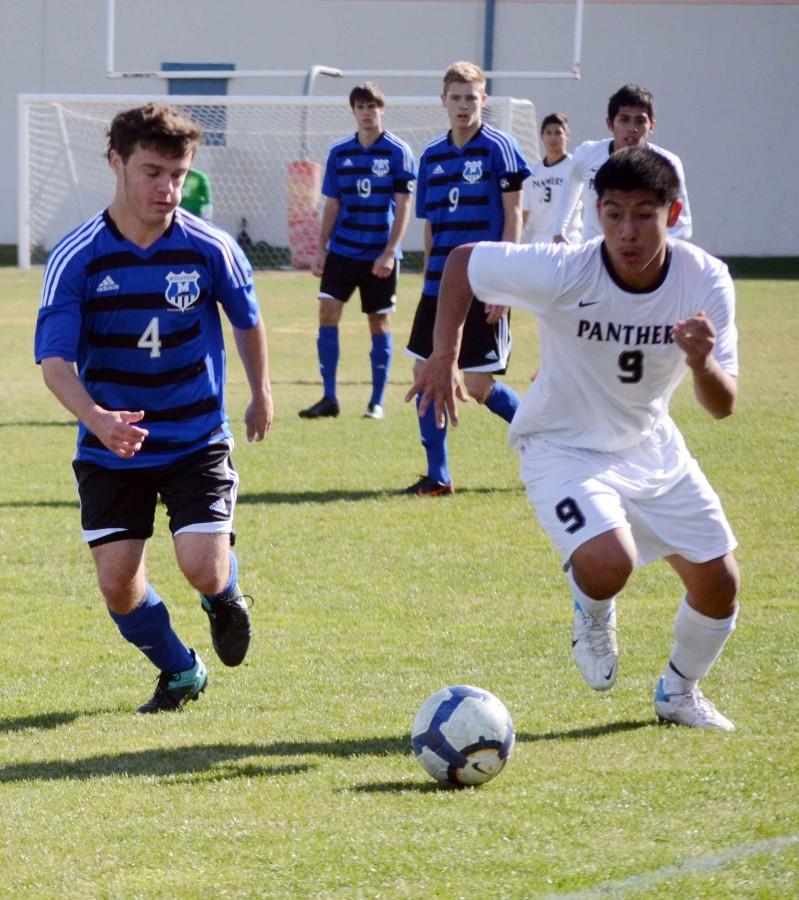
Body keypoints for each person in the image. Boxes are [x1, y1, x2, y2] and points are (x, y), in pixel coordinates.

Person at [409, 147, 740, 731]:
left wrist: (704, 363)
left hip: (651, 445)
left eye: (644, 215)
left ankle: (678, 692)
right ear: (596, 212)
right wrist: (444, 353)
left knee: (720, 585)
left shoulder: (705, 280)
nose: (627, 231)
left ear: (674, 211)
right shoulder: (568, 270)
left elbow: (723, 405)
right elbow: (462, 262)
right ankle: (593, 611)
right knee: (611, 562)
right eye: (613, 214)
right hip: (562, 446)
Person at [34, 103, 274, 714]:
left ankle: (225, 594)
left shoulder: (209, 247)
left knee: (201, 566)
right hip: (110, 444)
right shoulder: (78, 256)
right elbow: (55, 363)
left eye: (177, 174)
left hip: (195, 436)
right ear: (115, 162)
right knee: (117, 584)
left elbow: (247, 319)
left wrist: (261, 391)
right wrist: (98, 420)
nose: (168, 188)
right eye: (152, 172)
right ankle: (180, 670)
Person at [404, 61, 531, 495]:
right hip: (439, 284)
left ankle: (551, 441)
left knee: (477, 385)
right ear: (444, 100)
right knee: (426, 374)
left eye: (471, 97)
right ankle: (438, 475)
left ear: (484, 101)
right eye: (456, 97)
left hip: (487, 280)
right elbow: (430, 224)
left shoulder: (501, 147)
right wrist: (427, 275)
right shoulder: (431, 157)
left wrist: (506, 281)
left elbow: (514, 213)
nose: (463, 105)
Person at [298, 83, 417, 420]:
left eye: (373, 106)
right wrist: (320, 248)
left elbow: (405, 204)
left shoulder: (398, 151)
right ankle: (329, 398)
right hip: (344, 250)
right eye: (361, 107)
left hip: (379, 254)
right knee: (327, 312)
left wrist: (391, 251)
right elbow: (332, 203)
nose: (367, 112)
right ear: (353, 111)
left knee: (378, 321)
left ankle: (376, 401)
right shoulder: (339, 152)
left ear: (382, 108)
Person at [553, 84, 691, 244]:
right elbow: (570, 186)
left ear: (652, 125)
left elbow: (683, 223)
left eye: (640, 121)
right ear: (610, 124)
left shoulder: (667, 164)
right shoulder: (586, 154)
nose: (632, 128)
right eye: (624, 120)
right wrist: (559, 230)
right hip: (594, 252)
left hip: (641, 256)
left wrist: (656, 250)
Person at [522, 112, 582, 244]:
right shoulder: (532, 171)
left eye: (558, 133)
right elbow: (524, 212)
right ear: (541, 136)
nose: (553, 138)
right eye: (548, 133)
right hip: (540, 239)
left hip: (568, 238)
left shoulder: (575, 167)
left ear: (567, 136)